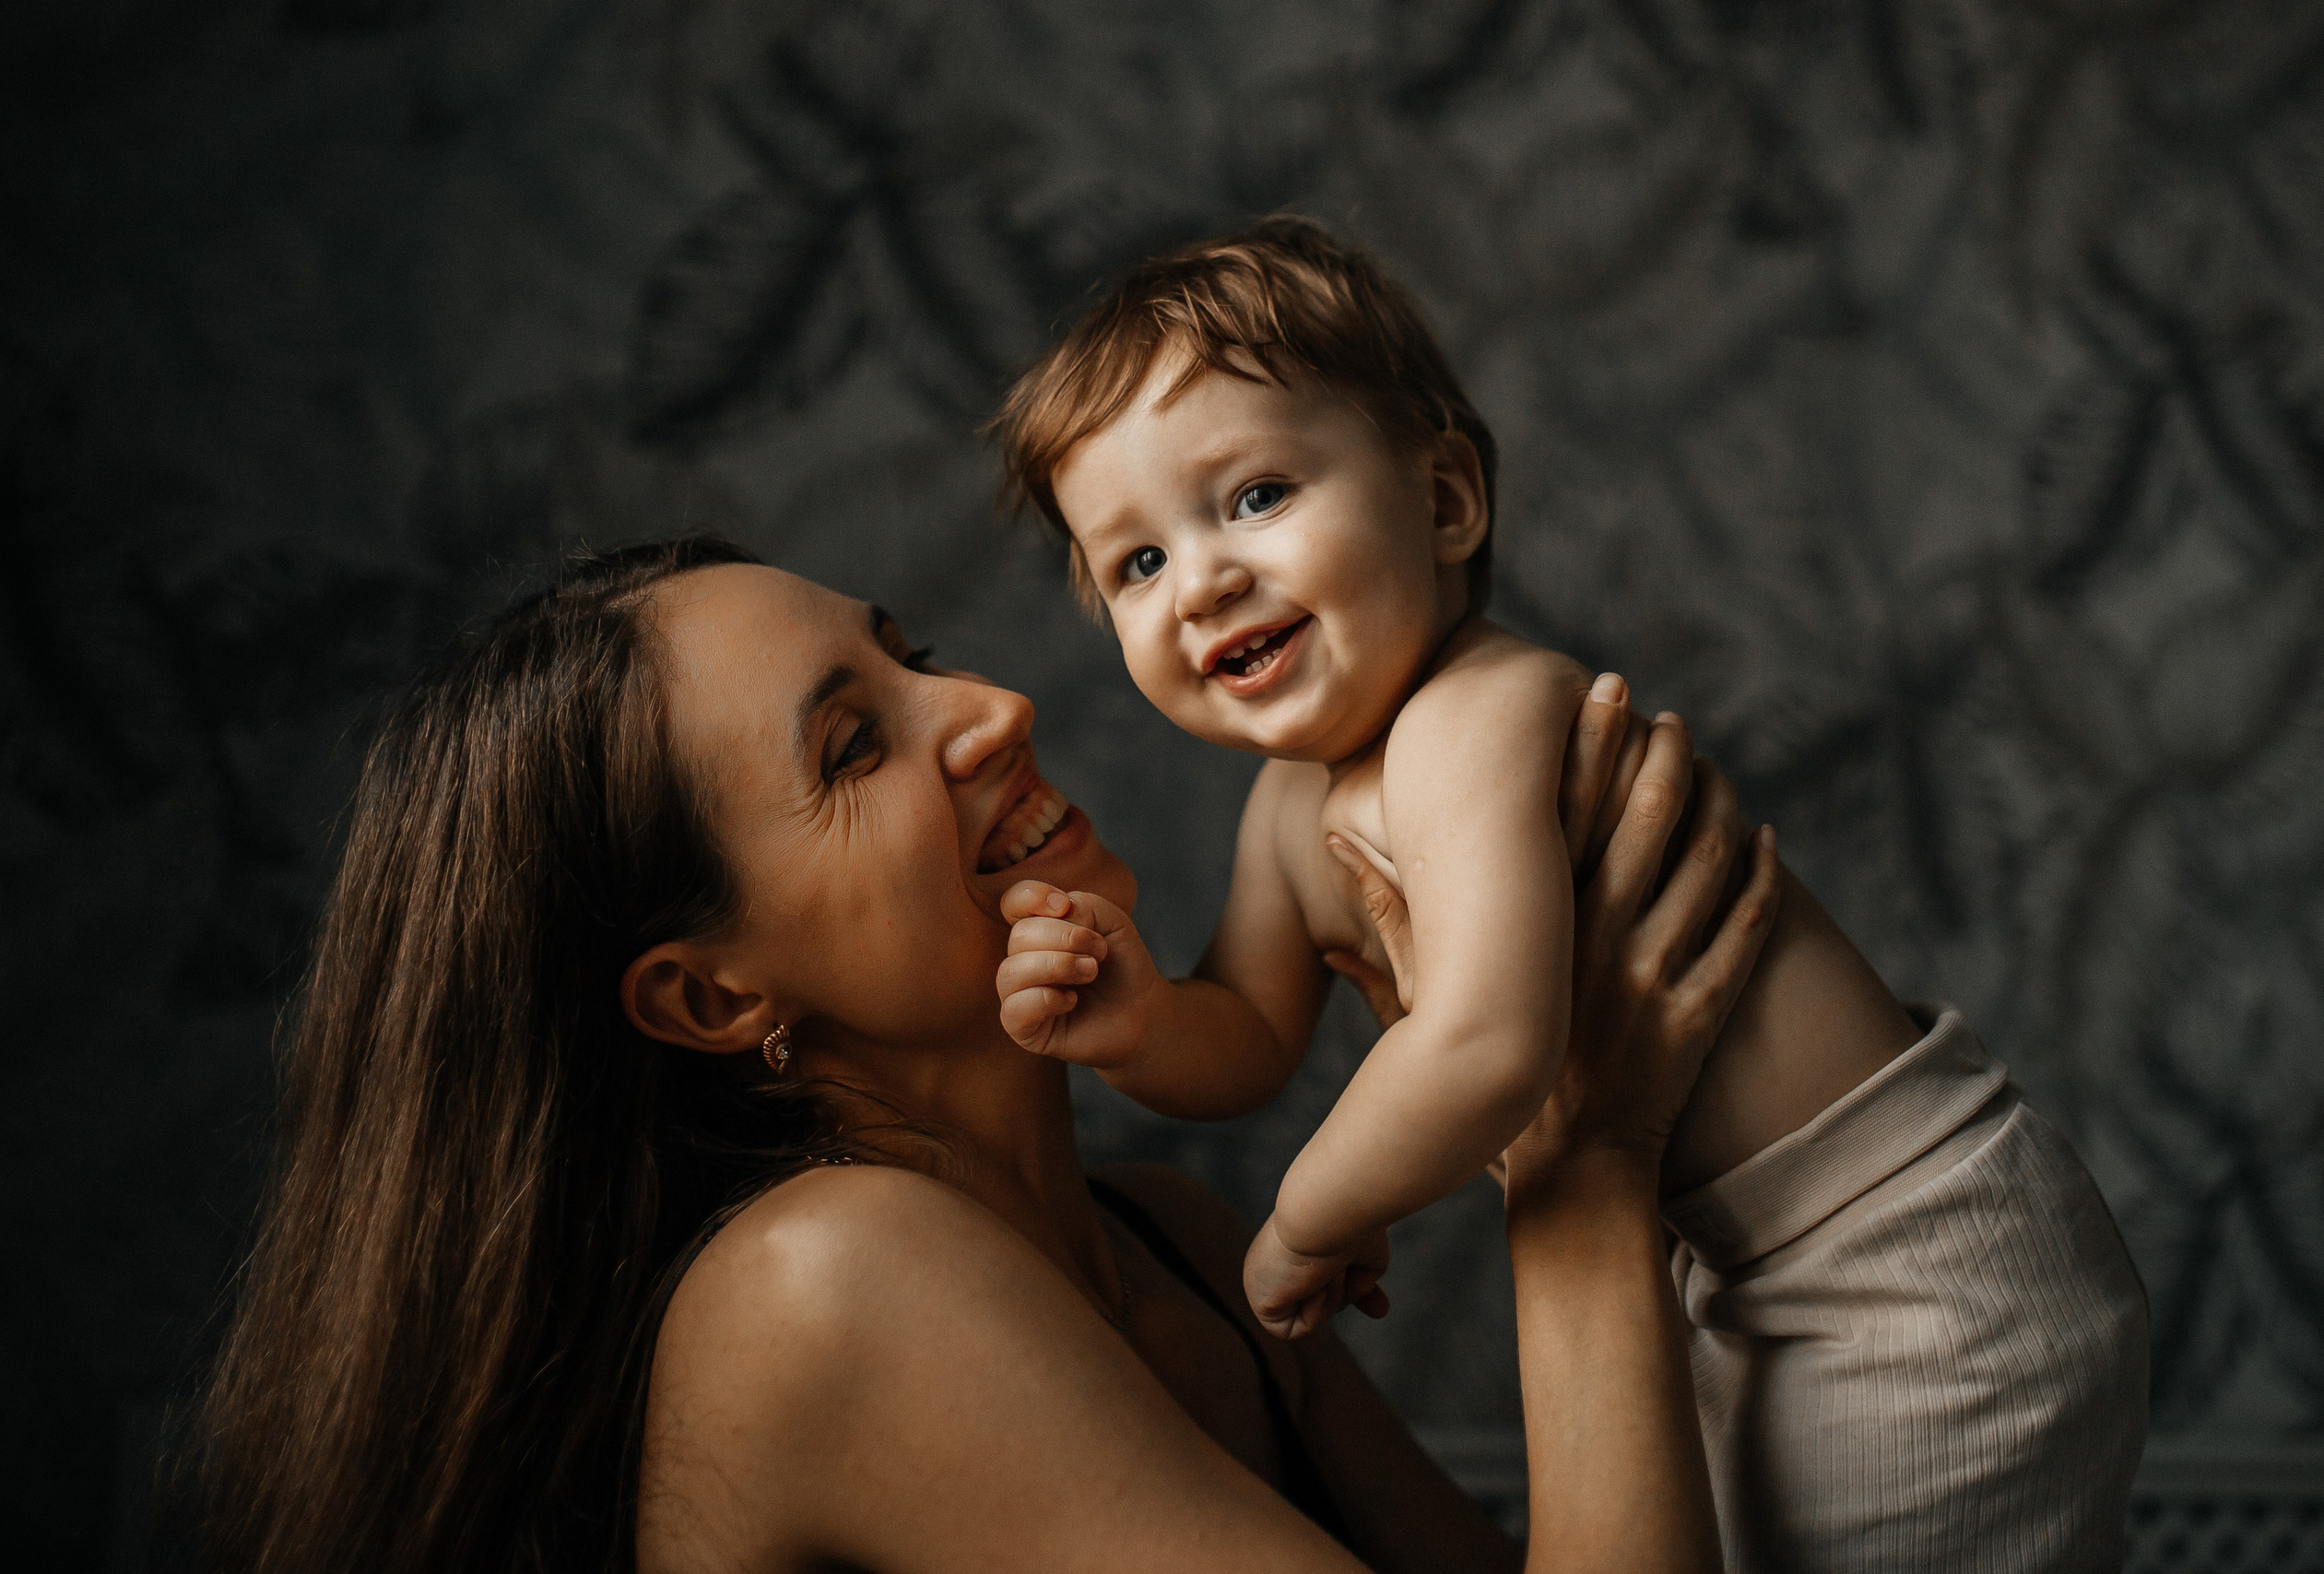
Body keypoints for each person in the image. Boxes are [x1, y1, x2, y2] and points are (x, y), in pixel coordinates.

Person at [189, 538, 1777, 1573]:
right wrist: (1578, 1151)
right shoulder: (827, 1284)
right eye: (854, 744)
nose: (995, 707)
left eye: (914, 652)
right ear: (709, 1001)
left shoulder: (1180, 1239)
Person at [988, 218, 2149, 1568]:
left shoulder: (1481, 710)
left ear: (1443, 502)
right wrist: (1137, 1020)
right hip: (1755, 1277)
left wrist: (1314, 1214)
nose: (1202, 578)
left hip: (1912, 1264)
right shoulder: (1289, 806)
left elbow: (1489, 1042)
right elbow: (1247, 1036)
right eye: (1135, 562)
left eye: (1253, 496)